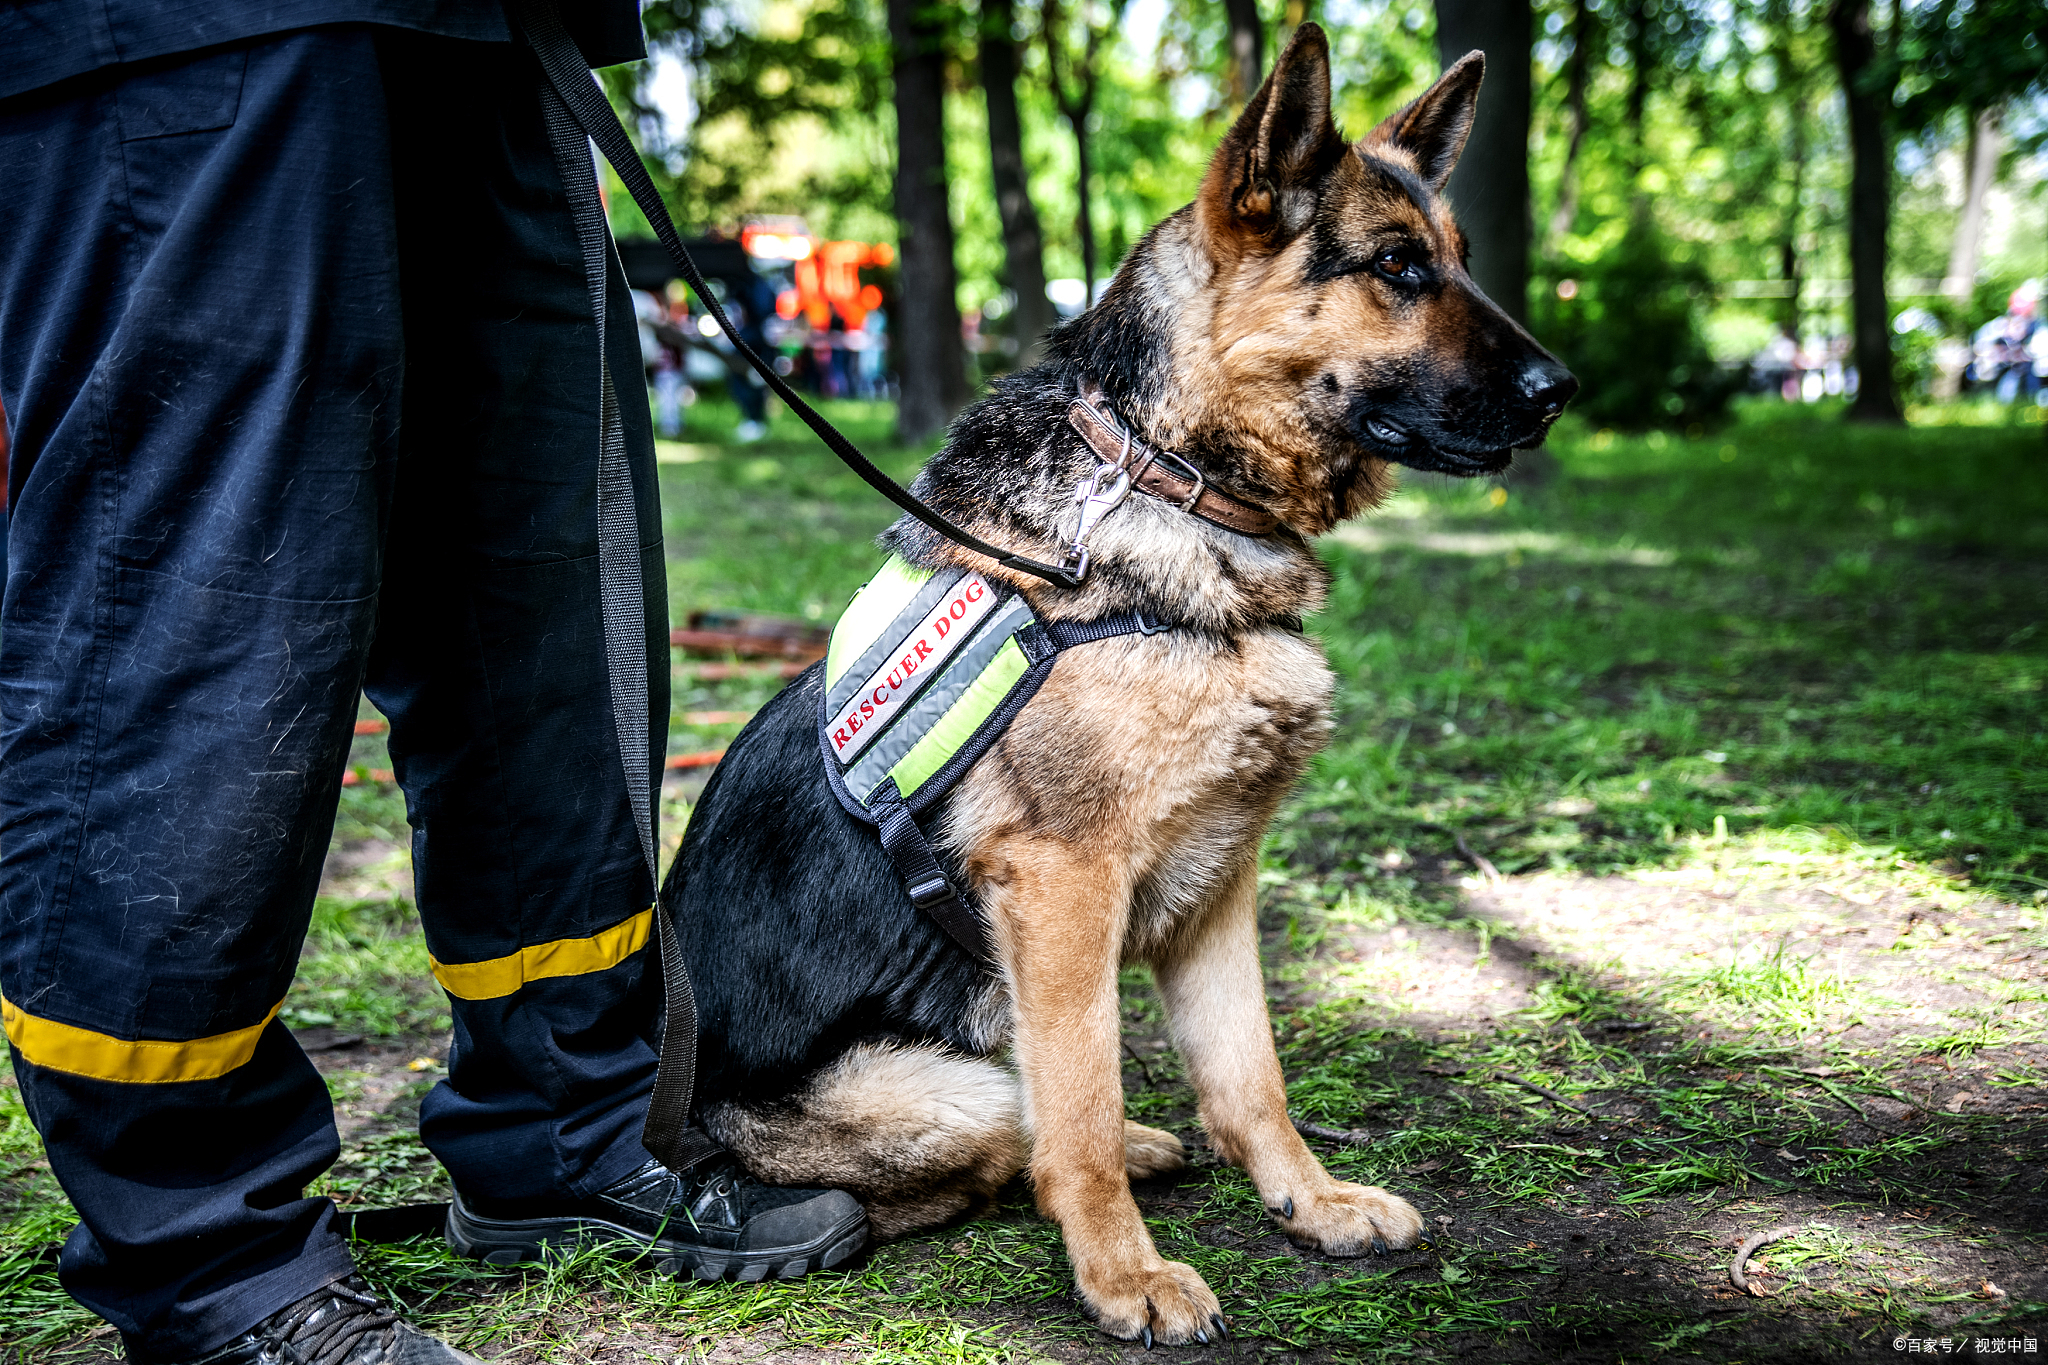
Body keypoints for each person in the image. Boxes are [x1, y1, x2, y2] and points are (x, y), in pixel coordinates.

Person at [0, 7, 868, 1365]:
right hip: (200, 20)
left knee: (532, 617)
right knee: (205, 596)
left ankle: (560, 1128)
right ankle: (202, 1252)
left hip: (490, 28)